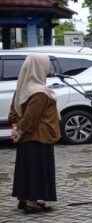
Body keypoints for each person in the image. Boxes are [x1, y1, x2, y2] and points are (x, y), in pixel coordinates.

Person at [10, 54, 61, 214]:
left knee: (27, 167)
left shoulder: (23, 87)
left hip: (27, 137)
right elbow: (31, 118)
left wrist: (15, 128)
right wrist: (20, 130)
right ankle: (32, 202)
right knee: (37, 169)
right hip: (39, 136)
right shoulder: (39, 92)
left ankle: (24, 198)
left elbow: (14, 110)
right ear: (39, 67)